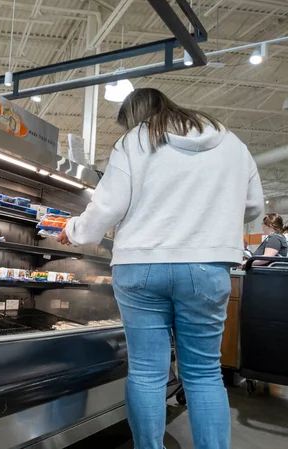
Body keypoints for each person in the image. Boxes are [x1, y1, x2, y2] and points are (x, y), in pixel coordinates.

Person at [57, 88, 263, 449]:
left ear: (136, 115)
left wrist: (74, 231)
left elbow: (107, 208)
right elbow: (252, 207)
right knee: (203, 374)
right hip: (207, 266)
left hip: (140, 266)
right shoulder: (232, 143)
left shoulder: (134, 140)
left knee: (147, 373)